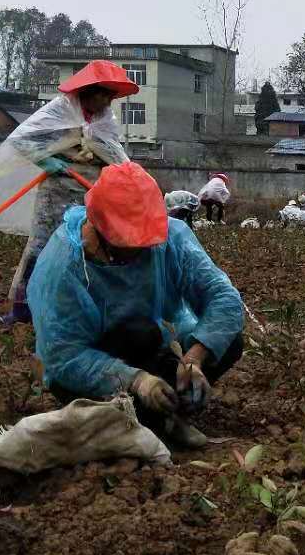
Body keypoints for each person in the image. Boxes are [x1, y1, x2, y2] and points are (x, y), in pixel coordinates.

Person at [28, 162, 246, 451]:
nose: (141, 250)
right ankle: (144, 418)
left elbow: (225, 299)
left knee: (225, 341)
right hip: (93, 367)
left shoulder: (171, 237)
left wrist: (194, 357)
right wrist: (137, 380)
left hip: (152, 347)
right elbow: (63, 355)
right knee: (139, 334)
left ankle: (163, 410)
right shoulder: (65, 265)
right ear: (101, 230)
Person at [0, 60, 137, 326]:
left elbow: (116, 155)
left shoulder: (106, 121)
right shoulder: (60, 110)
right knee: (42, 246)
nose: (106, 101)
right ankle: (23, 310)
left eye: (110, 95)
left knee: (87, 248)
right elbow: (23, 140)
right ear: (87, 91)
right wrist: (48, 162)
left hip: (90, 192)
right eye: (102, 93)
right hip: (56, 188)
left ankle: (80, 310)